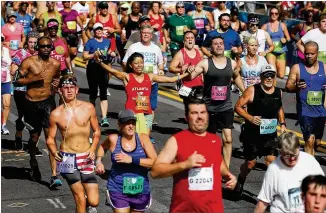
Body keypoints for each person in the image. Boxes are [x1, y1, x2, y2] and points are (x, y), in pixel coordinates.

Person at [151, 98, 237, 213]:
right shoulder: (177, 140)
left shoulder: (215, 140)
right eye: (194, 113)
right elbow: (155, 171)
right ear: (186, 117)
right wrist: (185, 164)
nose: (200, 117)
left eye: (203, 112)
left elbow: (217, 162)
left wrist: (228, 175)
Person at [94, 52, 190, 136]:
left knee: (144, 139)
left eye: (141, 62)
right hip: (132, 114)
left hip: (147, 114)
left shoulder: (150, 76)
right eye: (136, 63)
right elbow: (113, 71)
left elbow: (171, 79)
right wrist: (100, 63)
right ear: (131, 65)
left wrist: (186, 73)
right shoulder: (127, 77)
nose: (139, 65)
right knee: (133, 139)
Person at [186, 36, 245, 168]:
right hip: (209, 108)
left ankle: (226, 168)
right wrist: (188, 70)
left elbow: (237, 78)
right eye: (216, 44)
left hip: (226, 106)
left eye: (221, 43)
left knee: (228, 139)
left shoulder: (232, 63)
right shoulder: (205, 63)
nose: (219, 46)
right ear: (211, 48)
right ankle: (206, 163)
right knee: (208, 141)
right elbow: (190, 76)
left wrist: (245, 93)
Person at [46, 75, 100, 213]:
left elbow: (97, 132)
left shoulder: (88, 107)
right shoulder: (56, 114)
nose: (69, 91)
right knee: (79, 198)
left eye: (72, 88)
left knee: (94, 201)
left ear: (77, 90)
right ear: (60, 91)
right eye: (65, 88)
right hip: (67, 158)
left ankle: (88, 205)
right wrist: (54, 151)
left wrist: (93, 149)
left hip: (86, 156)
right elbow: (50, 139)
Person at [234, 64, 286, 197]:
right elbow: (238, 107)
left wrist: (283, 123)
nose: (269, 78)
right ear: (261, 77)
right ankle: (241, 178)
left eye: (271, 76)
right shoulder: (252, 90)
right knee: (251, 164)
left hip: (270, 135)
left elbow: (279, 108)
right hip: (252, 135)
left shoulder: (278, 92)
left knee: (271, 163)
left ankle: (271, 194)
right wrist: (250, 118)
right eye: (266, 76)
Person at [16, 36, 62, 187]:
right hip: (31, 103)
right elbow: (16, 80)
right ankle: (33, 160)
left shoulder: (55, 64)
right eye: (42, 46)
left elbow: (57, 79)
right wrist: (32, 79)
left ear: (52, 47)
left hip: (48, 103)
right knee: (34, 138)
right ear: (38, 48)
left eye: (48, 46)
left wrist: (56, 85)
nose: (46, 48)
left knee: (51, 138)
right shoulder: (28, 62)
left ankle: (54, 175)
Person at [95, 109, 157, 213]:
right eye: (127, 123)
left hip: (141, 190)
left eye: (133, 123)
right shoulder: (113, 139)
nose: (131, 126)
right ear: (119, 124)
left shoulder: (143, 138)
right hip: (117, 189)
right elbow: (102, 147)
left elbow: (155, 162)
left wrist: (132, 159)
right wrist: (98, 161)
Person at [254, 132, 324, 213]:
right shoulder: (274, 169)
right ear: (280, 152)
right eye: (287, 155)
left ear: (299, 148)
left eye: (295, 154)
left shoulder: (309, 161)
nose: (292, 159)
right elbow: (263, 202)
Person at [285, 41, 326, 156]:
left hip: (320, 111)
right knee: (309, 140)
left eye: (311, 54)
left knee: (317, 142)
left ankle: (307, 154)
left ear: (317, 53)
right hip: (305, 111)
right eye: (306, 53)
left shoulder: (324, 68)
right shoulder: (297, 68)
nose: (308, 56)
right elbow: (288, 87)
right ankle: (310, 170)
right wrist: (296, 87)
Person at [122, 25, 164, 138]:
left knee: (151, 107)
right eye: (143, 32)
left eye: (148, 33)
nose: (145, 35)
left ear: (151, 35)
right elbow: (125, 62)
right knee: (135, 106)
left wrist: (160, 70)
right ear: (140, 34)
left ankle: (146, 133)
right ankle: (135, 132)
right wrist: (130, 75)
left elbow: (161, 63)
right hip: (136, 82)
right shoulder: (133, 47)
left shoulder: (156, 48)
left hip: (151, 83)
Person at [10, 31, 39, 149]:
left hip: (37, 90)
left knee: (36, 117)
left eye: (35, 42)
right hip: (21, 90)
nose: (32, 45)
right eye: (30, 42)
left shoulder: (41, 54)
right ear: (27, 42)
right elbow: (13, 71)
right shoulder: (21, 53)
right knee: (24, 115)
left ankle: (33, 143)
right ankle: (18, 134)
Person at [83, 22, 114, 127]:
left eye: (101, 29)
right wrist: (94, 55)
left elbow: (109, 51)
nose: (99, 31)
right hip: (92, 70)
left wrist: (111, 54)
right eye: (97, 30)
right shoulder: (90, 42)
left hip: (103, 69)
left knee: (104, 94)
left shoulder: (107, 41)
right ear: (94, 31)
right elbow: (84, 56)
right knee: (93, 94)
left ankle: (104, 118)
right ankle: (91, 115)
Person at [169, 31, 204, 105]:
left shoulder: (199, 53)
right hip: (186, 86)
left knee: (199, 107)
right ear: (184, 41)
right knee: (189, 109)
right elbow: (171, 68)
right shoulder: (180, 54)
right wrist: (180, 69)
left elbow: (204, 67)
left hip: (199, 85)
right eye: (187, 38)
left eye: (192, 38)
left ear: (194, 40)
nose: (190, 40)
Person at [261, 7, 291, 80]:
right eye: (272, 13)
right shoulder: (265, 26)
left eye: (276, 13)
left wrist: (285, 40)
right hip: (270, 51)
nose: (274, 15)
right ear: (269, 14)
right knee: (273, 72)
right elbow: (259, 37)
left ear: (278, 15)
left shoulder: (282, 25)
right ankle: (272, 89)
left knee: (281, 75)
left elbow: (289, 38)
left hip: (281, 51)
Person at [1, 34, 12, 135]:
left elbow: (10, 65)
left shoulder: (6, 50)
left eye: (1, 40)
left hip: (6, 82)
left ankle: (3, 125)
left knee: (7, 105)